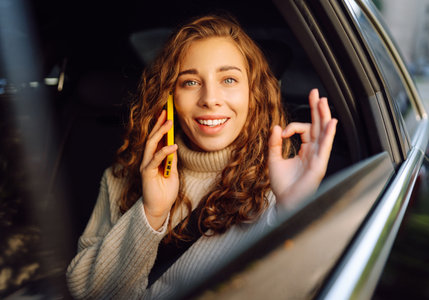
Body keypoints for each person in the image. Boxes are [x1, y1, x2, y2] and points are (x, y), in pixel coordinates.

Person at [66, 14, 337, 299]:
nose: (210, 98)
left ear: (253, 94)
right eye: (190, 82)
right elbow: (86, 293)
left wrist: (294, 210)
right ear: (168, 96)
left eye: (229, 79)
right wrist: (150, 213)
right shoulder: (122, 176)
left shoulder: (278, 189)